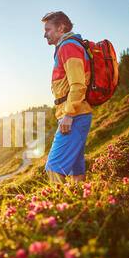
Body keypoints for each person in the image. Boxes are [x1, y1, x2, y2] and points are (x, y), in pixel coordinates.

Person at [42, 11, 93, 184]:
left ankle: (58, 209)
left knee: (53, 168)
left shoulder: (68, 46)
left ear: (61, 28)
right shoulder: (66, 46)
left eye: (48, 30)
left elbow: (78, 85)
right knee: (76, 171)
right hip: (75, 114)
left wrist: (69, 115)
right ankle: (82, 206)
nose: (45, 34)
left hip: (74, 115)